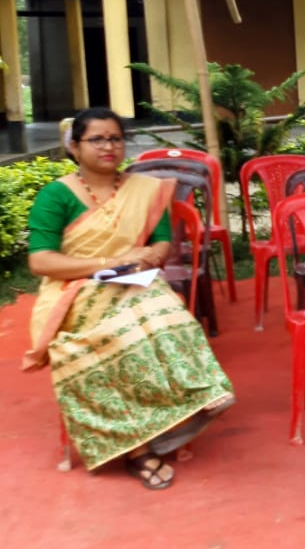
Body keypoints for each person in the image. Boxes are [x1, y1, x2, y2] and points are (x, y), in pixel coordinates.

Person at [24, 107, 235, 490]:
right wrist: (110, 261)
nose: (109, 146)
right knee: (122, 337)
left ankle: (196, 396)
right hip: (75, 291)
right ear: (74, 146)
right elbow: (41, 260)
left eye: (116, 138)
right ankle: (138, 449)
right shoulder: (55, 196)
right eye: (97, 139)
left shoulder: (146, 190)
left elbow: (161, 239)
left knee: (166, 309)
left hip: (133, 283)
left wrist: (152, 255)